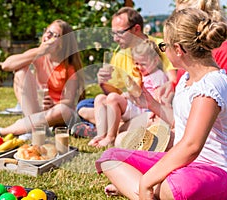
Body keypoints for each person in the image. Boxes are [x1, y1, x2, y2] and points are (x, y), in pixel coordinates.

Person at [95, 8, 227, 199]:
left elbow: (191, 146)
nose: (163, 51)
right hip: (186, 164)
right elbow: (180, 125)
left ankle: (143, 188)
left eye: (163, 46)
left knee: (176, 187)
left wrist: (147, 180)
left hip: (220, 171)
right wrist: (153, 105)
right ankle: (150, 191)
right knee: (110, 158)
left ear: (178, 49)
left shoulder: (212, 85)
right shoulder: (186, 79)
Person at [0, 19, 84, 141]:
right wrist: (39, 51)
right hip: (37, 111)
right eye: (47, 32)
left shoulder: (69, 67)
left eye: (54, 35)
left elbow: (69, 101)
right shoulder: (38, 55)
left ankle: (1, 132)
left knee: (63, 110)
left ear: (63, 42)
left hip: (57, 113)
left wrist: (54, 104)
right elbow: (6, 65)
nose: (48, 36)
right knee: (20, 71)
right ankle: (33, 129)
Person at [71, 7, 176, 137]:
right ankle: (117, 126)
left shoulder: (159, 47)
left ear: (136, 29)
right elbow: (113, 94)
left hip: (148, 107)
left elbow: (173, 81)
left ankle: (108, 128)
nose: (115, 39)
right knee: (84, 105)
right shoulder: (120, 54)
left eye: (119, 33)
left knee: (98, 111)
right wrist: (103, 83)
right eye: (113, 33)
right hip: (127, 104)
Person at [88, 39, 168, 147]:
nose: (139, 67)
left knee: (112, 98)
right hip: (137, 106)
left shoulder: (158, 76)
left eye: (143, 64)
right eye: (136, 64)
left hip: (146, 111)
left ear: (155, 61)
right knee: (100, 99)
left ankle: (110, 137)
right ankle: (100, 135)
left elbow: (159, 98)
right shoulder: (144, 74)